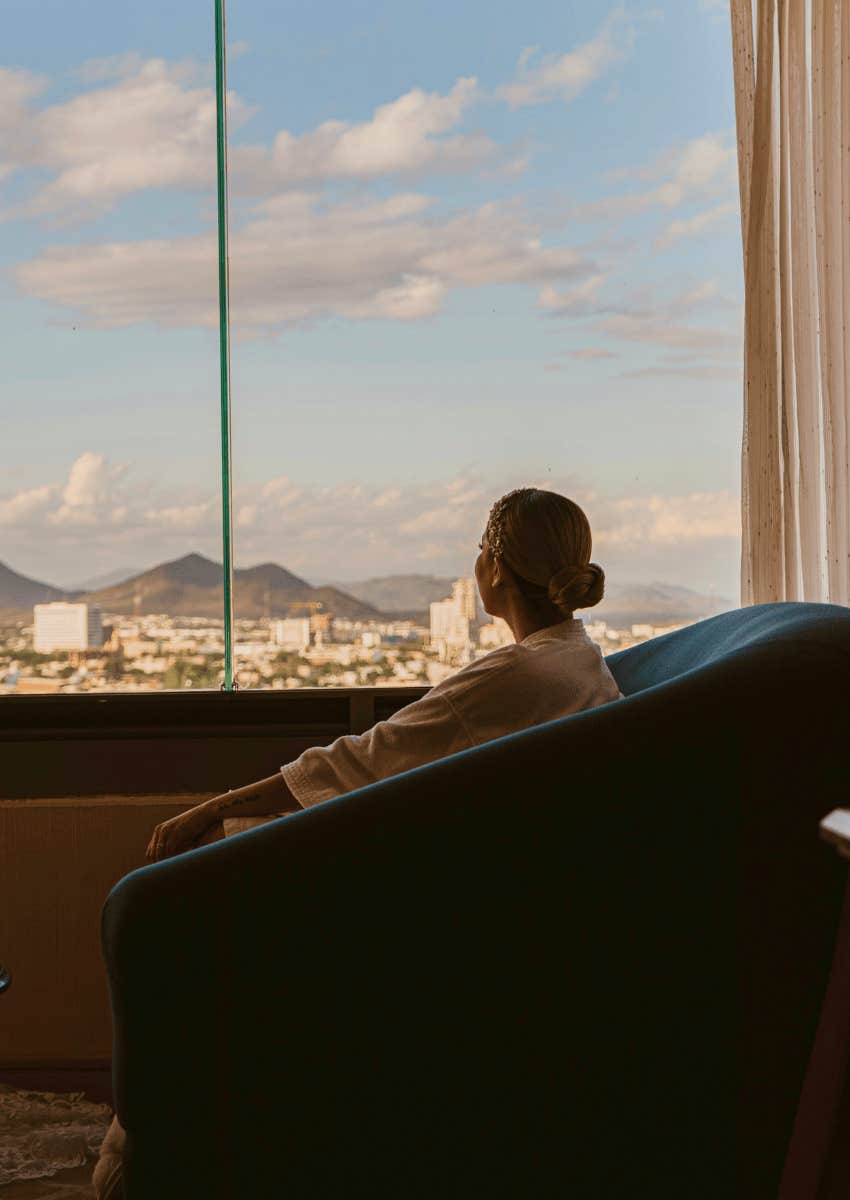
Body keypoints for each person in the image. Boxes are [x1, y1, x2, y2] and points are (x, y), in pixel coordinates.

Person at [93, 486, 624, 1199]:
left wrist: (208, 813)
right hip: (502, 891)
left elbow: (354, 761)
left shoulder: (513, 676)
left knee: (188, 886)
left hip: (439, 904)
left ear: (494, 569)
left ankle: (143, 1155)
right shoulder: (579, 660)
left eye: (479, 549)